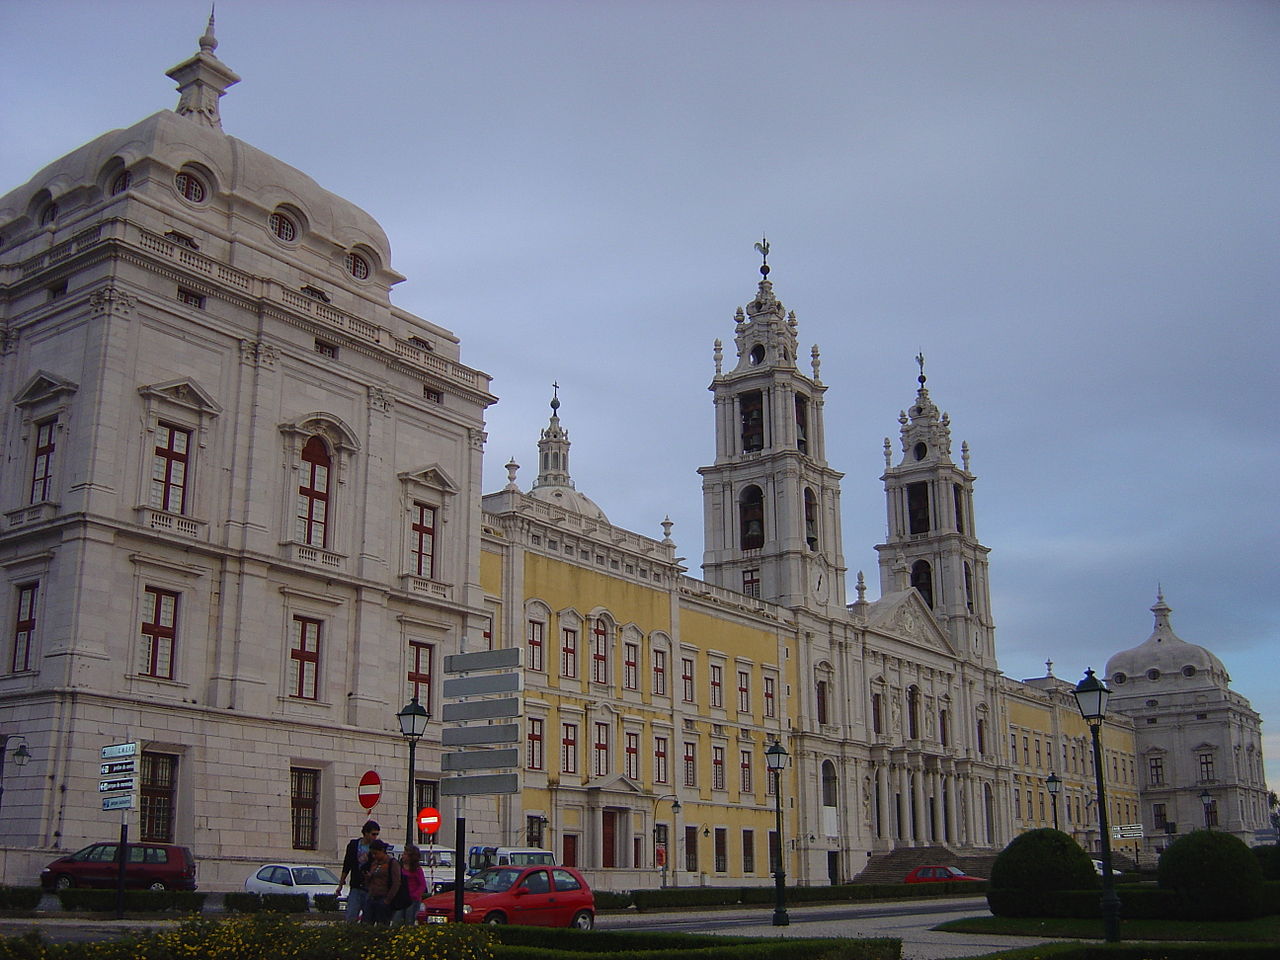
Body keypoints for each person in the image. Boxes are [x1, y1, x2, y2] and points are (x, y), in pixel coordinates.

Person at [336, 820, 380, 922]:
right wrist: (341, 883)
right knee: (351, 915)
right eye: (373, 834)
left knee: (368, 918)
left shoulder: (376, 847)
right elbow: (347, 865)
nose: (375, 837)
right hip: (356, 885)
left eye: (377, 834)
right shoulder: (354, 845)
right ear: (366, 833)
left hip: (369, 887)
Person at [361, 839, 401, 925]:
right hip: (372, 896)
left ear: (382, 851)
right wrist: (368, 878)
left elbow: (396, 882)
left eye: (376, 853)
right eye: (372, 854)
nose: (374, 856)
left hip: (383, 897)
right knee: (366, 924)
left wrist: (387, 900)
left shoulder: (392, 863)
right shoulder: (374, 863)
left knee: (382, 924)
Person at [391, 844, 426, 926]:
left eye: (405, 854)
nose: (403, 856)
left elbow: (422, 884)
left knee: (409, 920)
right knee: (396, 920)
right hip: (401, 898)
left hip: (412, 899)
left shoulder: (417, 869)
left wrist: (415, 895)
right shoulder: (399, 867)